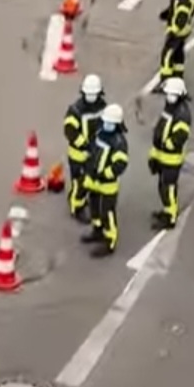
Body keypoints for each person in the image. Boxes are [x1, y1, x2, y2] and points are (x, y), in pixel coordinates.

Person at [82, 103, 128, 257]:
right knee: (94, 207)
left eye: (111, 123)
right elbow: (91, 151)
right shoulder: (99, 134)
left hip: (107, 184)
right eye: (106, 121)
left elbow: (120, 164)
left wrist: (105, 173)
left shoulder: (119, 142)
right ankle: (97, 231)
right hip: (94, 181)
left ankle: (110, 241)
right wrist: (87, 168)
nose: (107, 124)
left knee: (107, 211)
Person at [63, 73, 107, 221]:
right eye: (89, 94)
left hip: (94, 154)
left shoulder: (102, 107)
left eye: (94, 94)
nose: (91, 97)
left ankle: (83, 200)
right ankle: (77, 207)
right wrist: (85, 144)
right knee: (79, 182)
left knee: (91, 181)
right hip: (78, 154)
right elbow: (70, 131)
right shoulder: (75, 110)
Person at [149, 77, 191, 230]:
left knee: (169, 188)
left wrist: (165, 144)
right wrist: (154, 156)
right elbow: (160, 130)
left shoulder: (182, 114)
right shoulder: (170, 108)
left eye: (171, 94)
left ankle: (171, 217)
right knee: (163, 187)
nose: (168, 97)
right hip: (162, 156)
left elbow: (179, 137)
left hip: (172, 159)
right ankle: (166, 211)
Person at [157, 0, 194, 86]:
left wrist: (173, 31)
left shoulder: (183, 0)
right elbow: (175, 10)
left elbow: (181, 17)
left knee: (167, 55)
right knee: (179, 54)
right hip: (185, 31)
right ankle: (178, 76)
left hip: (177, 32)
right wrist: (166, 14)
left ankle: (165, 81)